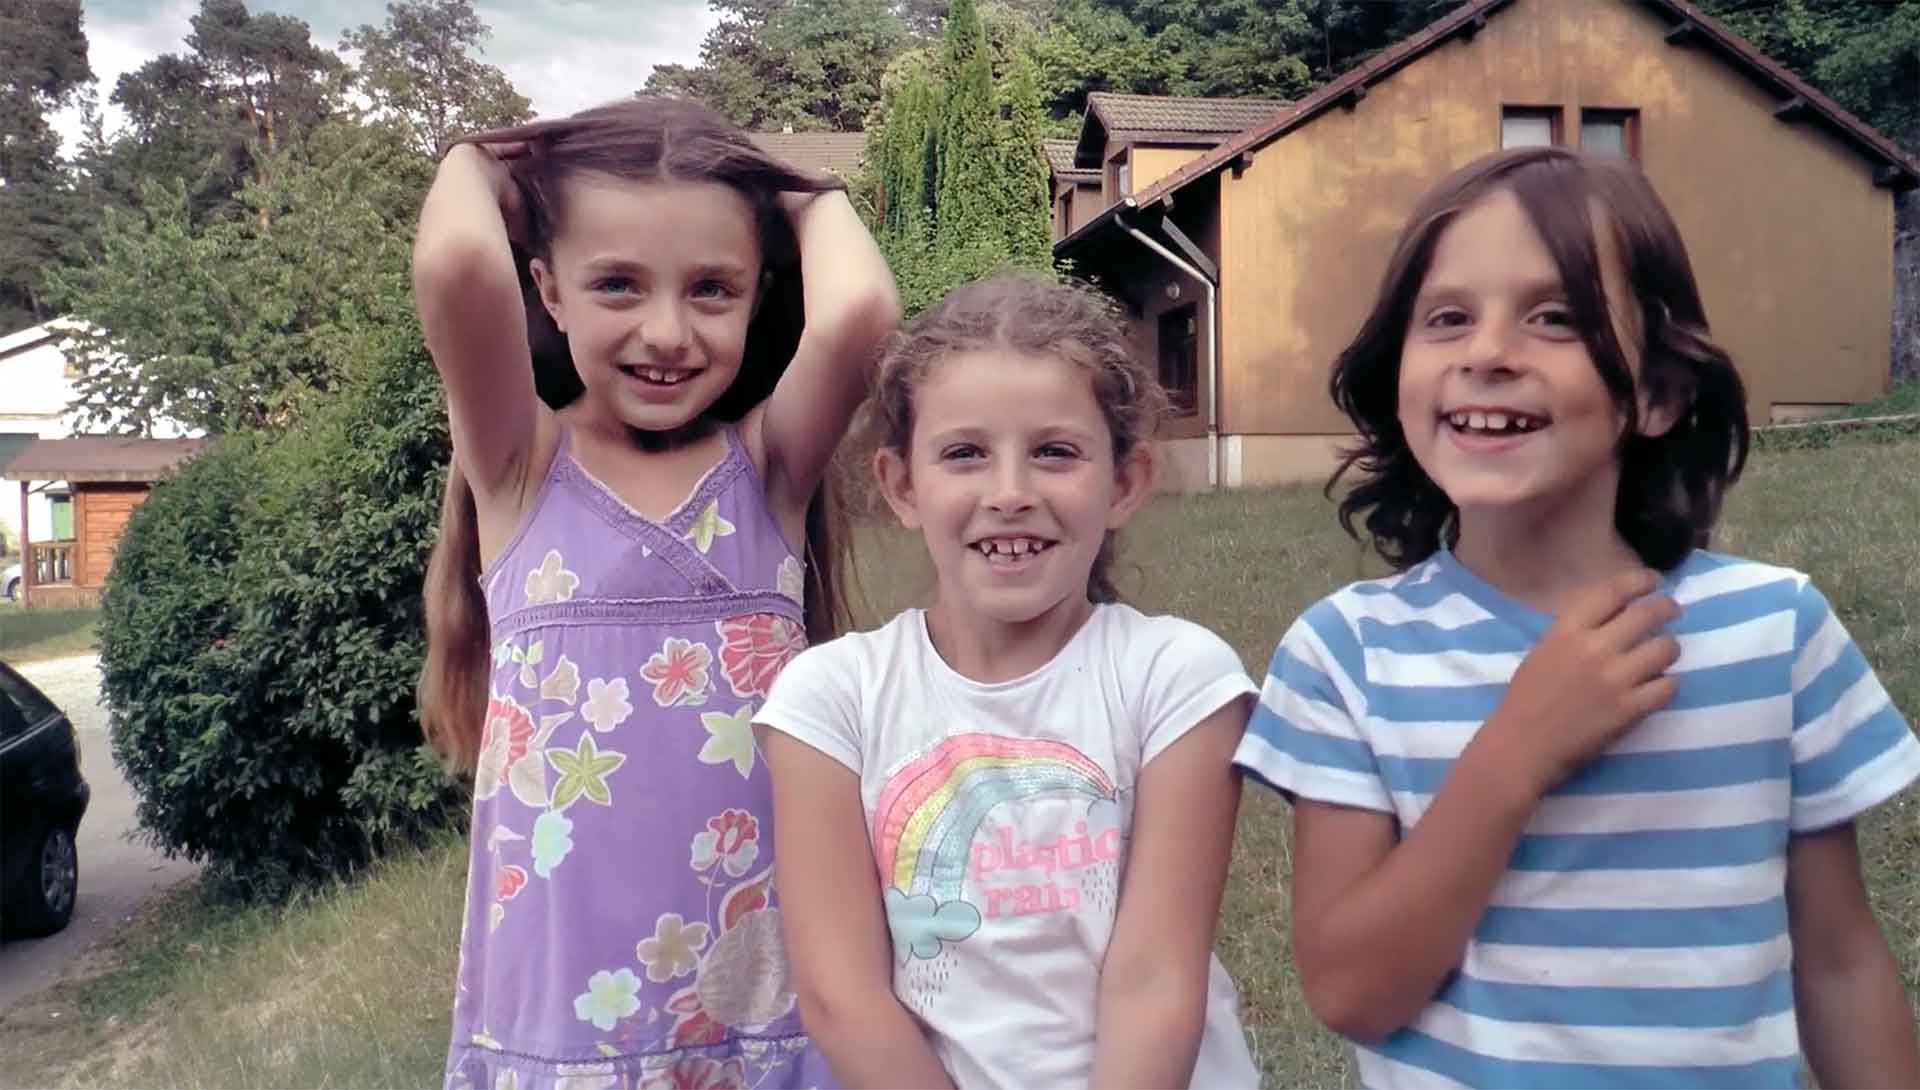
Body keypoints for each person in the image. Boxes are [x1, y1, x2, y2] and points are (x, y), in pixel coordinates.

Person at [1235, 145, 1920, 1088]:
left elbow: (1840, 964)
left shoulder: (1777, 632)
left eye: (1555, 318)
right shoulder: (1345, 653)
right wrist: (1518, 751)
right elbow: (1352, 992)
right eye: (1447, 319)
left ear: (1657, 393)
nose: (1486, 352)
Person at [411, 96, 899, 1090]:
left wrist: (791, 195)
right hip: (568, 1018)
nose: (667, 331)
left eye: (713, 288)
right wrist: (487, 159)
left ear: (763, 292)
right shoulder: (518, 468)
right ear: (546, 289)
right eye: (618, 284)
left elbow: (860, 313)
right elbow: (459, 265)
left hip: (764, 1004)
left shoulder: (765, 471)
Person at [753, 275, 1262, 1089]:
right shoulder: (830, 700)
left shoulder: (1176, 681)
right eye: (964, 454)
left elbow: (1156, 981)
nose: (1011, 494)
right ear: (902, 486)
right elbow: (843, 996)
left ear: (1124, 483)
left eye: (1055, 452)